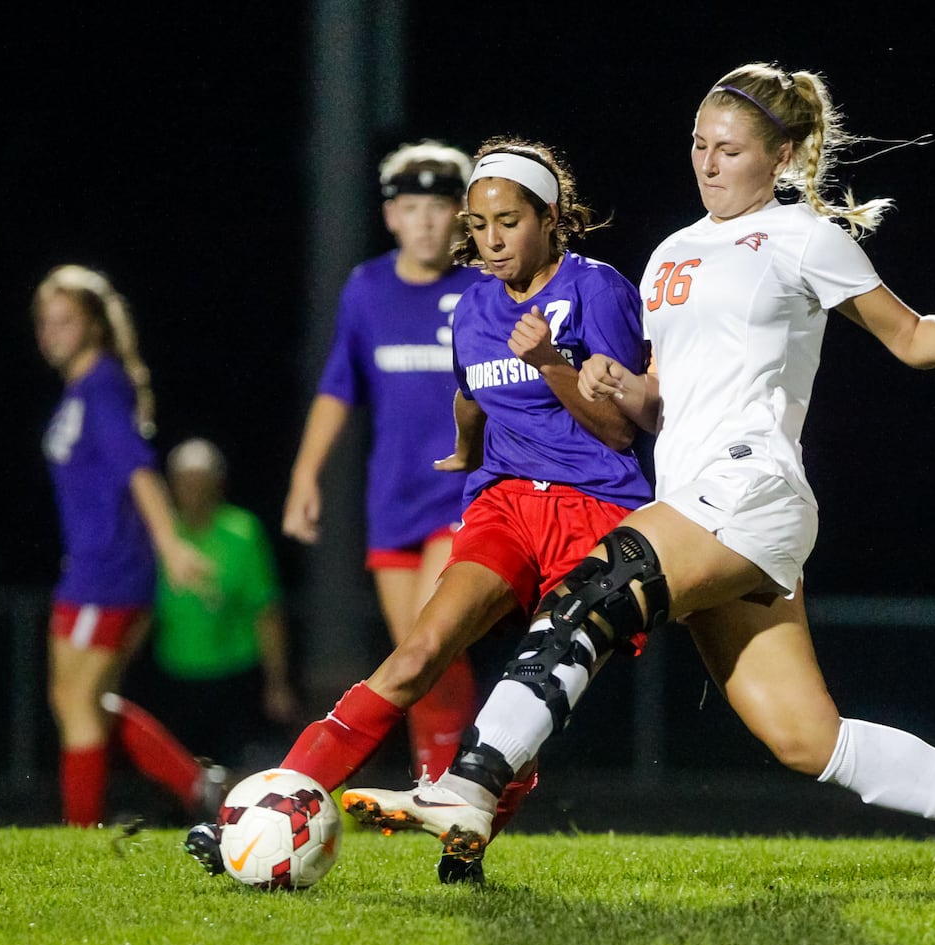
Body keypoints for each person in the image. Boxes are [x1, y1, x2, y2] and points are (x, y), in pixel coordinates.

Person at [342, 62, 935, 895]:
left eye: (727, 150)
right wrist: (621, 389)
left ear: (784, 156)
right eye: (698, 145)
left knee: (590, 589)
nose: (706, 163)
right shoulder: (671, 254)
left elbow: (909, 337)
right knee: (807, 739)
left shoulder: (803, 237)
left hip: (752, 489)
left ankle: (471, 784)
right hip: (693, 498)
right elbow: (663, 402)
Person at [186, 136, 654, 884]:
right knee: (414, 653)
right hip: (502, 502)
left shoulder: (598, 289)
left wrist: (551, 365)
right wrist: (468, 447)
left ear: (551, 217)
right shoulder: (472, 303)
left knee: (530, 691)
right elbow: (470, 392)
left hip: (591, 511)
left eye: (507, 221)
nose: (490, 240)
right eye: (478, 224)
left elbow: (621, 430)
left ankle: (465, 834)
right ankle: (259, 814)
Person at [280, 140, 485, 781]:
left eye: (440, 206)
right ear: (391, 216)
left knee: (431, 637)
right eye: (412, 207)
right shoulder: (367, 288)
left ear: (461, 215)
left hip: (463, 495)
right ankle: (440, 782)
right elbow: (340, 384)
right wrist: (304, 475)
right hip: (393, 500)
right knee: (417, 653)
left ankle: (461, 786)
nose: (426, 220)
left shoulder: (483, 288)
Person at [35, 263, 225, 828]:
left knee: (78, 705)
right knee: (75, 702)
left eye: (64, 321)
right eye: (45, 322)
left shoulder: (101, 384)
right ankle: (197, 785)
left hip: (112, 569)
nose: (51, 334)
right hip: (87, 566)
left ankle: (81, 832)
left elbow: (139, 472)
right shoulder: (81, 387)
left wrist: (169, 546)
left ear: (93, 325)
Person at [145, 437, 301, 770]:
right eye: (185, 483)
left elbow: (266, 611)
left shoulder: (243, 530)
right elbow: (141, 610)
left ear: (219, 484)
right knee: (176, 769)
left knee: (234, 767)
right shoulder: (162, 534)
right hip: (173, 672)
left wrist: (277, 683)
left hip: (234, 672)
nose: (193, 492)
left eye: (202, 483)